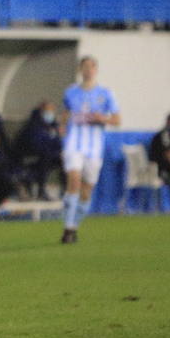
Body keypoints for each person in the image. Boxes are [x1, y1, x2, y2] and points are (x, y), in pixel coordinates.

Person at [60, 56, 120, 244]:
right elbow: (65, 114)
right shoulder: (70, 92)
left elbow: (117, 120)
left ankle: (74, 225)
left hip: (94, 148)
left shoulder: (106, 94)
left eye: (91, 67)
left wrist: (102, 119)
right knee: (74, 182)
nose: (88, 70)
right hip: (74, 144)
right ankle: (68, 229)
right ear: (80, 69)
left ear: (96, 70)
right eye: (85, 67)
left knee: (86, 191)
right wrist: (62, 129)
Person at [16, 101, 63, 199]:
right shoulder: (33, 125)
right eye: (47, 111)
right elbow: (35, 144)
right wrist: (53, 151)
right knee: (45, 159)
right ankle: (39, 190)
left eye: (52, 111)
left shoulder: (54, 126)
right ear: (41, 112)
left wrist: (59, 151)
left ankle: (66, 191)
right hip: (31, 154)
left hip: (49, 154)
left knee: (65, 160)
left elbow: (57, 142)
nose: (50, 114)